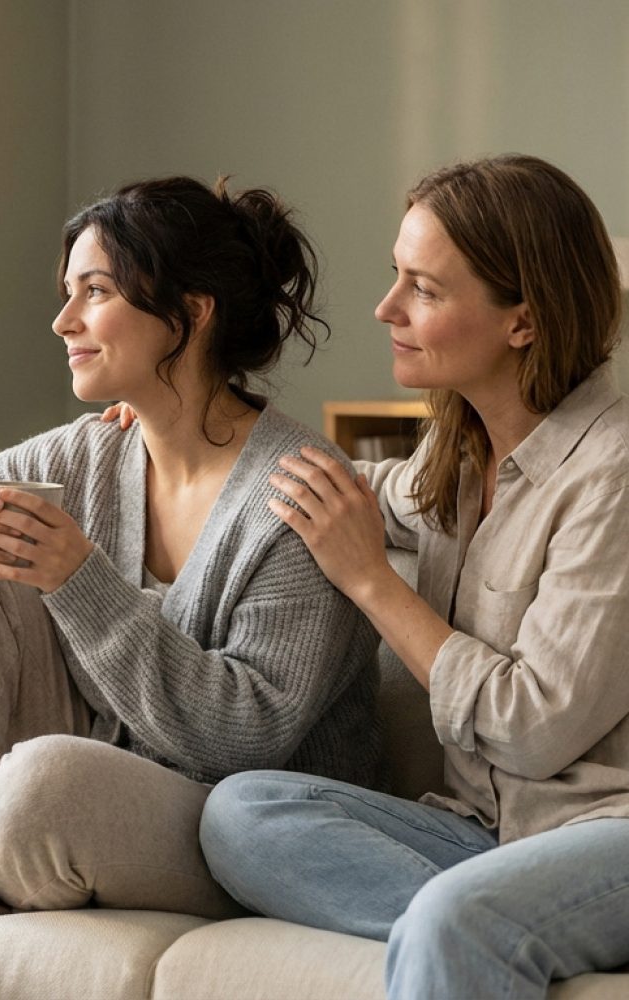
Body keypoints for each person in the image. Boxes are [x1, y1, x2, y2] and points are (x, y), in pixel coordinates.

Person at [0, 175, 381, 956]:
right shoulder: (90, 450)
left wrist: (77, 577)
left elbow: (244, 740)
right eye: (68, 293)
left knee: (42, 787)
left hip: (245, 822)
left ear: (190, 315)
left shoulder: (299, 494)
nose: (62, 322)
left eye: (94, 292)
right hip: (112, 793)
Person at [198, 153, 629, 999]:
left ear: (523, 322)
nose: (386, 308)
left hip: (606, 831)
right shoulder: (457, 452)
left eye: (423, 290)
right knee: (242, 815)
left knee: (454, 918)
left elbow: (532, 727)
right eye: (398, 276)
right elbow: (335, 492)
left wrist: (373, 584)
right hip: (481, 837)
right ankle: (509, 930)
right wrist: (182, 422)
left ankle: (485, 927)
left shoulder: (613, 475)